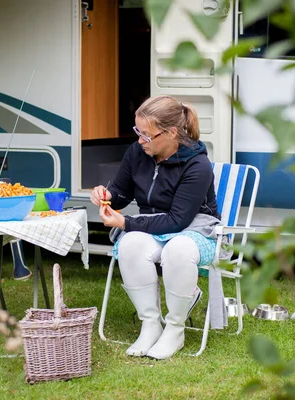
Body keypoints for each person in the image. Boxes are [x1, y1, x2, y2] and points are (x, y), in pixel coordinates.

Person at [91, 95, 221, 359]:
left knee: (178, 250)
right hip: (154, 227)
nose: (140, 140)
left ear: (171, 133)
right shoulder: (138, 152)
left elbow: (178, 220)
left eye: (147, 135)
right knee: (128, 245)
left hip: (196, 230)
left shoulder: (198, 164)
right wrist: (107, 196)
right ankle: (150, 325)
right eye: (138, 131)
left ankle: (175, 330)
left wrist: (126, 222)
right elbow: (122, 192)